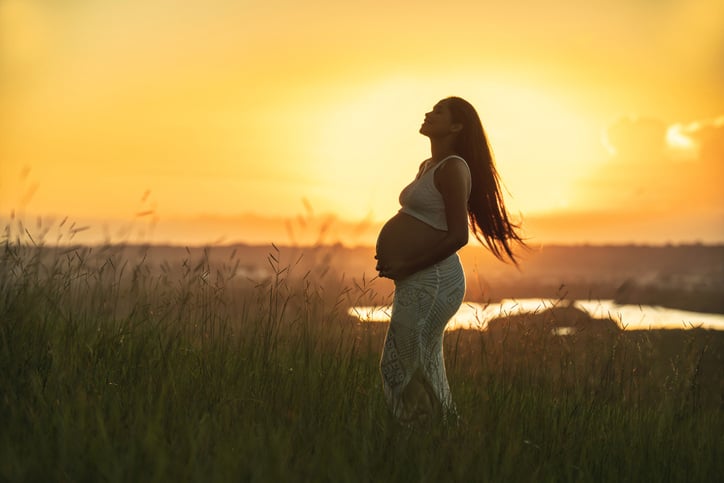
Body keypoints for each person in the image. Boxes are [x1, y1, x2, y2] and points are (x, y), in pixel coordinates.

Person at [375, 96, 525, 424]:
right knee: (420, 363)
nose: (429, 112)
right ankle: (442, 435)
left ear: (457, 126)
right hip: (417, 276)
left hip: (435, 278)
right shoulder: (427, 167)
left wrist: (407, 265)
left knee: (399, 365)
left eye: (439, 110)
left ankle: (421, 433)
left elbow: (459, 236)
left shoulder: (454, 167)